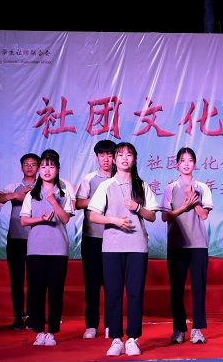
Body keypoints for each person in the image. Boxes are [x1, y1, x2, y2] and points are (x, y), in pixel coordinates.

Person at [88, 141, 159, 357]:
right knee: (113, 292)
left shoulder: (142, 186)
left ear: (134, 159)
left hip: (137, 245)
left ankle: (133, 338)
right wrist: (114, 220)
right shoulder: (106, 186)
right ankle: (116, 339)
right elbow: (93, 215)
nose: (124, 158)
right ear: (114, 160)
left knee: (135, 292)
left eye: (129, 155)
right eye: (120, 155)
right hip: (112, 246)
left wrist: (137, 207)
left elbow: (152, 216)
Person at [20, 149, 75, 346]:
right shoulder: (31, 195)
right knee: (36, 291)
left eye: (51, 167)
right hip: (36, 249)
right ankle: (38, 331)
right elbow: (24, 221)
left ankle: (51, 332)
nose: (46, 170)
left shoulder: (64, 193)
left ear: (57, 170)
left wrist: (53, 201)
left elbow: (65, 218)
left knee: (55, 291)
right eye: (43, 166)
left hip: (58, 249)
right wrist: (40, 219)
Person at [160, 147, 214, 345]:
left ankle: (197, 329)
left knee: (199, 287)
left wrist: (194, 202)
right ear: (177, 164)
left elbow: (204, 215)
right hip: (177, 244)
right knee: (177, 289)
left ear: (194, 164)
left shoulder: (203, 187)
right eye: (183, 160)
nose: (186, 163)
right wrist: (183, 206)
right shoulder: (170, 188)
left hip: (198, 244)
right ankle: (179, 329)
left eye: (190, 160)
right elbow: (165, 216)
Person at [0, 152, 40, 330]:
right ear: (21, 168)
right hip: (16, 239)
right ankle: (18, 316)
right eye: (26, 164)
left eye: (33, 164)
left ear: (38, 167)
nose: (29, 167)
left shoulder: (43, 186)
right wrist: (15, 195)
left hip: (37, 238)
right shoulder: (14, 186)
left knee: (36, 280)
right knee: (17, 279)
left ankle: (33, 316)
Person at [75, 140, 116, 340]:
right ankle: (91, 325)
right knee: (92, 284)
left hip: (115, 238)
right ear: (97, 157)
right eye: (102, 155)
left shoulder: (121, 177)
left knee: (112, 284)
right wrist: (97, 199)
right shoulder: (89, 179)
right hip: (93, 238)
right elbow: (78, 203)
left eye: (109, 155)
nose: (106, 159)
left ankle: (111, 325)